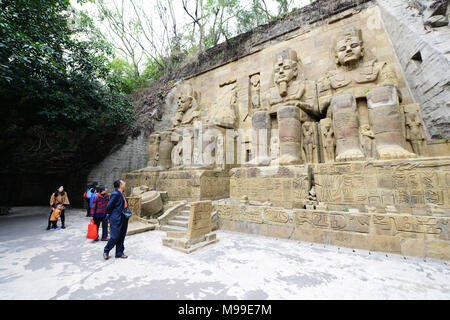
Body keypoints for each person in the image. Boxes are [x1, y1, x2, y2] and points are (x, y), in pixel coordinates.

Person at [103, 179, 129, 260]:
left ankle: (119, 253)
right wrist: (112, 215)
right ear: (120, 185)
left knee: (122, 236)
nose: (125, 183)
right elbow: (108, 207)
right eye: (123, 182)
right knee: (114, 236)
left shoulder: (122, 194)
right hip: (116, 218)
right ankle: (106, 250)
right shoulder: (115, 194)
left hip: (124, 217)